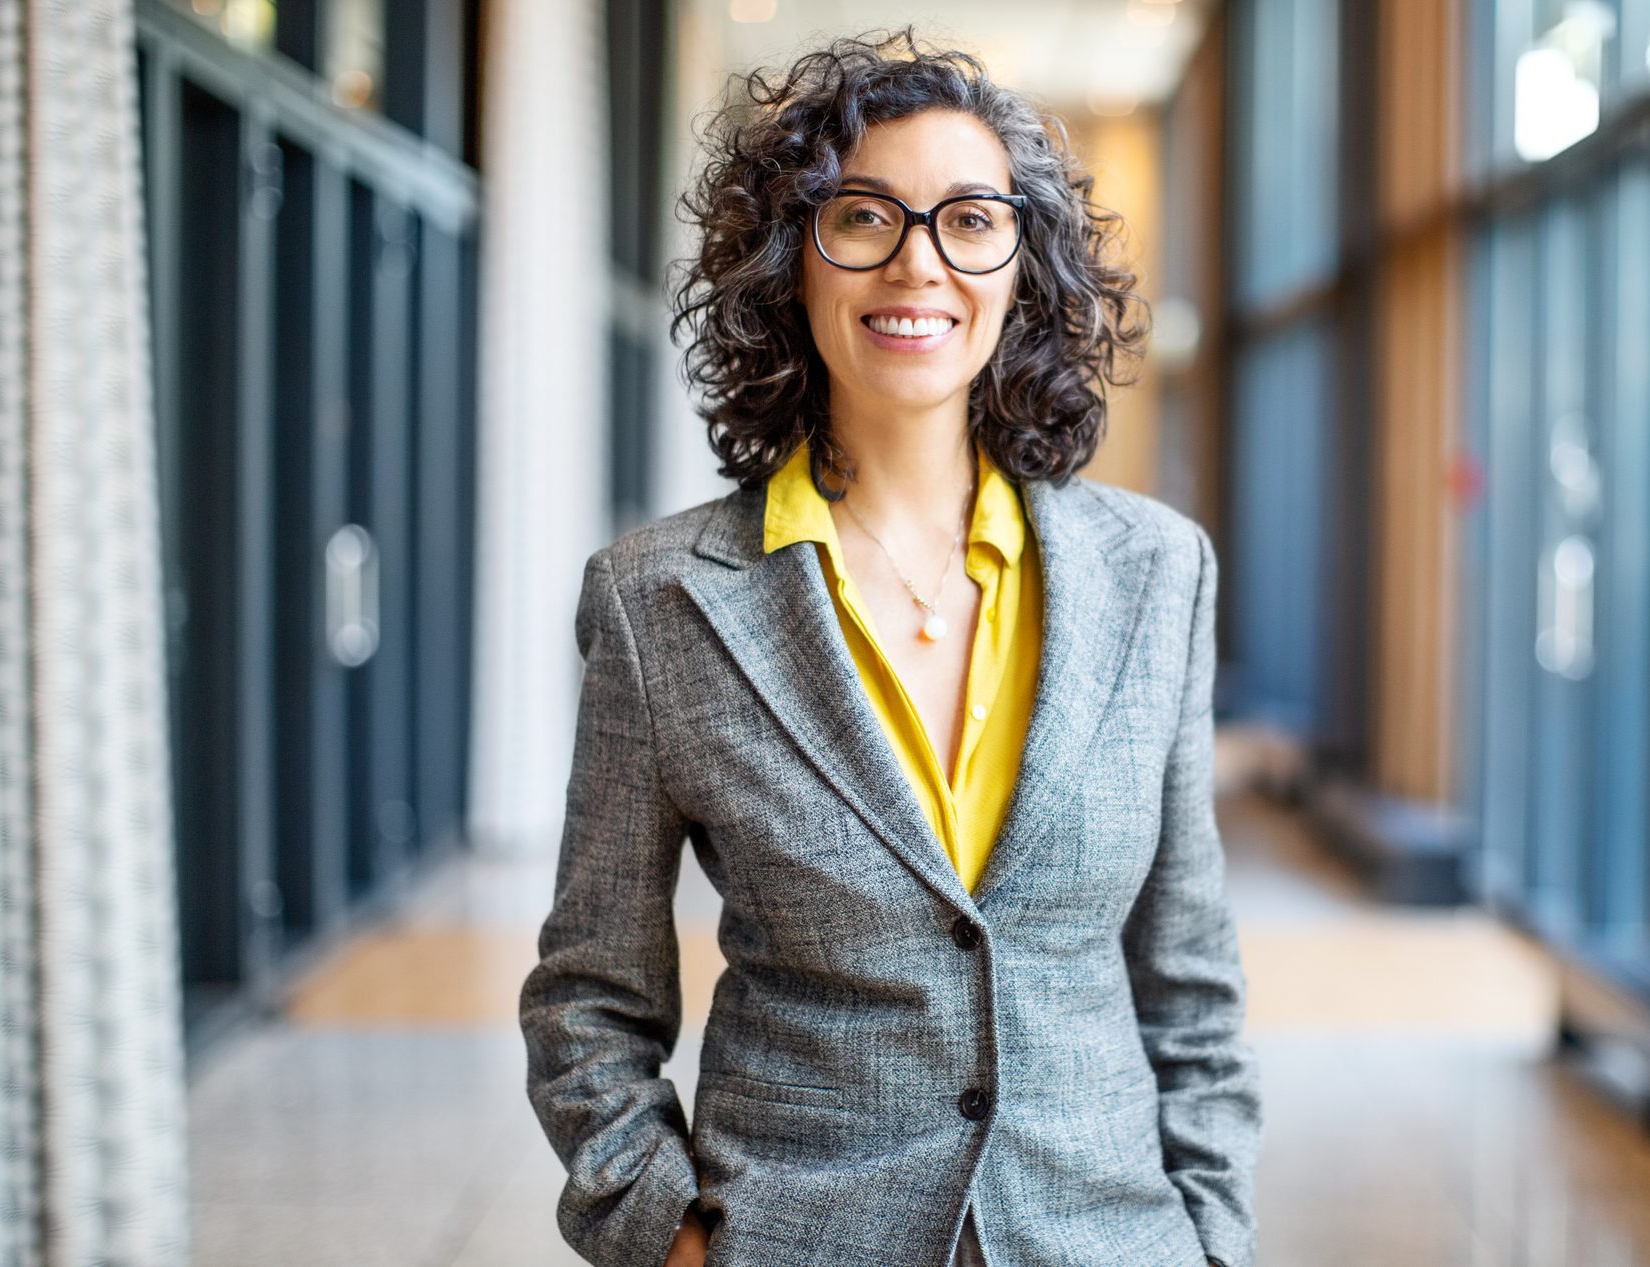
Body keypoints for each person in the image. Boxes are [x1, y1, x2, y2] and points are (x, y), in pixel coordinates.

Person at [518, 27, 1261, 1267]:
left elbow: (1189, 981)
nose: (918, 265)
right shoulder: (659, 603)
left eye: (970, 221)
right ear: (789, 263)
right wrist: (670, 1239)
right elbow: (588, 999)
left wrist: (1213, 1240)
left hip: (1108, 1236)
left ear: (1023, 268)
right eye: (863, 218)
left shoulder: (1155, 574)